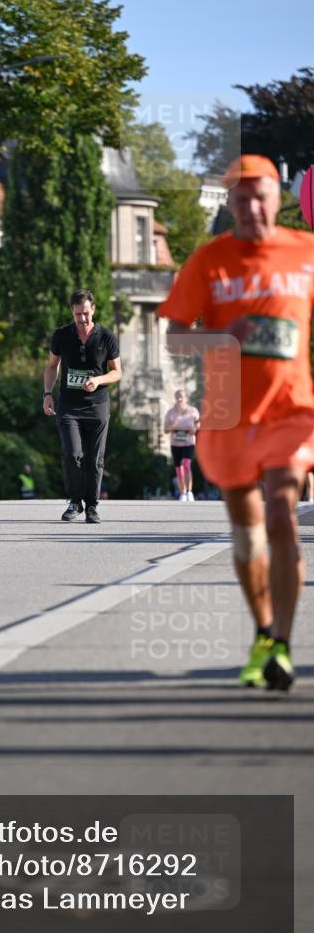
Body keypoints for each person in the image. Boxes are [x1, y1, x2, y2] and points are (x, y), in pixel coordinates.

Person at [158, 154, 314, 691]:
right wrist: (226, 338)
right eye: (241, 198)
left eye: (261, 196)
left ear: (278, 198)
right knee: (248, 538)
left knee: (281, 514)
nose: (251, 207)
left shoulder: (307, 252)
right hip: (228, 415)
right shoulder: (210, 260)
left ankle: (285, 647)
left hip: (291, 411)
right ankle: (265, 632)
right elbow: (175, 337)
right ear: (230, 204)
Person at [43, 289, 122, 523]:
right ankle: (75, 502)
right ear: (72, 312)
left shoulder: (106, 337)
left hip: (97, 406)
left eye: (86, 313)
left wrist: (98, 380)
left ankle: (92, 506)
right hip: (69, 406)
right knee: (72, 454)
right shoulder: (61, 336)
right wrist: (47, 393)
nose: (82, 319)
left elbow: (117, 372)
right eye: (78, 314)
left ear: (93, 309)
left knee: (95, 459)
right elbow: (51, 366)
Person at [164, 389, 200, 501]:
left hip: (189, 442)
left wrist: (194, 428)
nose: (180, 399)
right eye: (178, 396)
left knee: (186, 464)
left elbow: (198, 423)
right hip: (175, 444)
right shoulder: (170, 413)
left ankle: (189, 492)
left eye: (182, 397)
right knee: (179, 469)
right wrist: (173, 425)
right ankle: (183, 492)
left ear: (186, 398)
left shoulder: (193, 411)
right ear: (175, 398)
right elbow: (165, 430)